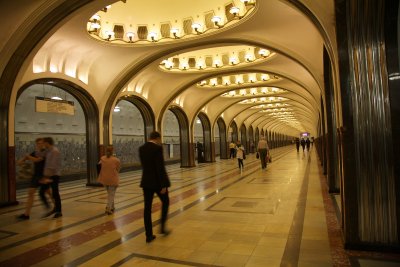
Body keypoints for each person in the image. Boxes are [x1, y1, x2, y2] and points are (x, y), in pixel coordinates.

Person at [139, 131, 171, 243]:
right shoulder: (157, 149)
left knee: (147, 208)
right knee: (166, 202)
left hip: (146, 182)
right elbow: (160, 167)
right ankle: (162, 228)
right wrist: (164, 185)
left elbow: (145, 166)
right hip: (157, 183)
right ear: (157, 138)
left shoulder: (141, 148)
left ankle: (148, 235)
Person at [16, 138, 51, 220]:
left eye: (41, 143)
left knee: (48, 192)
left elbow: (36, 160)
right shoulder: (34, 153)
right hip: (36, 176)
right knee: (30, 193)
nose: (40, 145)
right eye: (38, 143)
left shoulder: (45, 152)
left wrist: (28, 156)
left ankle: (57, 209)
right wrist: (21, 161)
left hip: (43, 176)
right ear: (36, 144)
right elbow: (25, 159)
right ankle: (26, 214)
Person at [41, 137, 63, 218]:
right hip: (49, 175)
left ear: (47, 143)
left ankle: (58, 211)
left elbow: (52, 166)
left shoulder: (54, 151)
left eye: (44, 143)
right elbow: (40, 155)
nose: (43, 144)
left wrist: (46, 177)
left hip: (54, 175)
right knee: (43, 191)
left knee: (55, 193)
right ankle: (54, 208)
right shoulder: (48, 151)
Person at [97, 146, 120, 215]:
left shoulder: (102, 158)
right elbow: (118, 169)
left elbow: (98, 165)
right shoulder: (116, 160)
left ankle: (112, 206)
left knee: (110, 194)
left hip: (104, 179)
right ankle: (108, 208)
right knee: (111, 194)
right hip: (113, 180)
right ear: (112, 151)